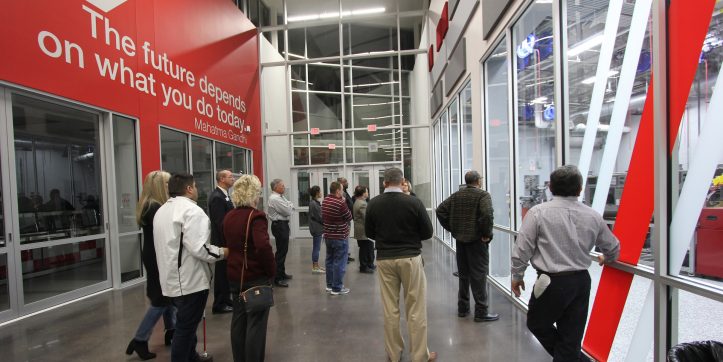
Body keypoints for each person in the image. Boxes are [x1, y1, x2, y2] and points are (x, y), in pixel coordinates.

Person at [511, 165, 620, 362]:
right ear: (579, 189)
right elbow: (612, 248)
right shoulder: (593, 215)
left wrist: (517, 276)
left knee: (537, 323)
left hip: (550, 282)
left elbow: (522, 249)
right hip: (580, 282)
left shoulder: (537, 213)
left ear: (551, 187)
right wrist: (608, 258)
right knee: (571, 336)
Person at [154, 173, 229, 362]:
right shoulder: (192, 212)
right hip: (190, 281)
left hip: (171, 281)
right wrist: (223, 252)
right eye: (195, 186)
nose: (196, 189)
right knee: (185, 328)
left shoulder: (162, 210)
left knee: (186, 323)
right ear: (189, 189)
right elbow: (200, 249)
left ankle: (191, 356)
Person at [365, 167, 436, 362]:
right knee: (416, 308)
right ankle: (420, 355)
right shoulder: (413, 202)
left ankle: (394, 354)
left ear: (384, 183)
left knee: (390, 309)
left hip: (385, 259)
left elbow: (370, 232)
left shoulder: (373, 204)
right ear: (402, 180)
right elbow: (428, 232)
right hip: (411, 258)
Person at [223, 175, 276, 362]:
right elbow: (262, 246)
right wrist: (272, 271)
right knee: (256, 325)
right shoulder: (256, 217)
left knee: (238, 322)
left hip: (234, 276)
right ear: (254, 194)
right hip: (255, 277)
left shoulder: (229, 216)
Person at [435, 170, 498, 322]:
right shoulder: (483, 195)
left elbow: (440, 210)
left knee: (464, 275)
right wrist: (486, 234)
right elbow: (487, 215)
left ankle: (463, 309)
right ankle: (481, 312)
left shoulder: (457, 195)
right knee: (479, 275)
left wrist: (452, 228)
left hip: (461, 240)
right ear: (478, 181)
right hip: (477, 241)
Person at [126, 171, 176, 360]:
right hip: (157, 256)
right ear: (158, 186)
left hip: (154, 254)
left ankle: (172, 330)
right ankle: (140, 339)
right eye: (166, 184)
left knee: (167, 296)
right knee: (160, 300)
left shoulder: (149, 205)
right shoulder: (154, 207)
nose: (169, 187)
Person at [208, 169, 236, 314]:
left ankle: (226, 299)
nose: (233, 179)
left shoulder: (224, 195)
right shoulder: (217, 197)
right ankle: (219, 303)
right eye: (230, 177)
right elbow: (221, 223)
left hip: (226, 241)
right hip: (221, 242)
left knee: (226, 273)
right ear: (221, 179)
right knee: (221, 273)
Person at [322, 181, 353, 295]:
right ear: (337, 191)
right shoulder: (340, 203)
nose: (343, 192)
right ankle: (337, 288)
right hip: (340, 237)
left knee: (329, 261)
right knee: (339, 262)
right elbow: (349, 217)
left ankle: (330, 285)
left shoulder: (325, 200)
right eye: (342, 190)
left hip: (328, 236)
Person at [267, 179, 294, 287]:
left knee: (283, 250)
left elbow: (290, 205)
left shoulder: (280, 197)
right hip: (279, 226)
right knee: (281, 252)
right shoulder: (275, 198)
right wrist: (289, 206)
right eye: (282, 186)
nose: (284, 187)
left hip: (282, 225)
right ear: (276, 187)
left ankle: (281, 273)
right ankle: (277, 278)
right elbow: (288, 211)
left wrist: (289, 205)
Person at [353, 185, 375, 273]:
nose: (367, 193)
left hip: (361, 229)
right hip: (364, 230)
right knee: (365, 249)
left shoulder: (358, 201)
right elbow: (367, 218)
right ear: (363, 193)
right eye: (366, 191)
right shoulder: (362, 204)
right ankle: (364, 266)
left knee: (367, 248)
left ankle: (369, 264)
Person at [337, 177, 355, 263]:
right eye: (345, 182)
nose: (347, 183)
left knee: (346, 238)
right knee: (344, 239)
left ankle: (346, 255)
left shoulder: (345, 192)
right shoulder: (342, 194)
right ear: (341, 183)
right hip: (345, 220)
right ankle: (344, 257)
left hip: (347, 219)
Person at [308, 186, 325, 274]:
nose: (321, 193)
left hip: (317, 228)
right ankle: (315, 267)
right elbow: (320, 217)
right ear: (317, 193)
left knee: (316, 247)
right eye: (320, 191)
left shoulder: (314, 203)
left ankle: (316, 265)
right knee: (316, 248)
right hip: (317, 229)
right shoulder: (314, 204)